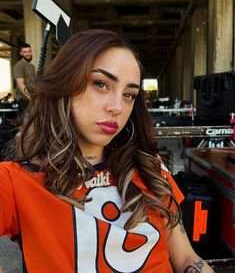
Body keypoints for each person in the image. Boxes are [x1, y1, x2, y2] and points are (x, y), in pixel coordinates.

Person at [0, 30, 214, 272]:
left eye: (129, 95)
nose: (117, 107)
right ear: (65, 84)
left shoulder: (150, 167)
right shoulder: (15, 181)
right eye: (101, 84)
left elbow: (186, 258)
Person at [13, 43, 36, 116]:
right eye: (25, 52)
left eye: (29, 51)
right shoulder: (18, 66)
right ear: (21, 53)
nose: (28, 54)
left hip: (33, 100)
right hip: (24, 101)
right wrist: (30, 97)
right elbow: (20, 85)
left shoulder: (32, 67)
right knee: (24, 125)